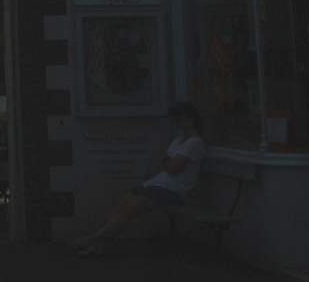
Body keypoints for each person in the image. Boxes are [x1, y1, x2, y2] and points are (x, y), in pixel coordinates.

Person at [66, 102, 206, 256]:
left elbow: (172, 167)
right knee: (121, 204)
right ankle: (99, 244)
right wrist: (169, 164)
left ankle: (90, 240)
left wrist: (169, 164)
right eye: (174, 119)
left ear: (190, 119)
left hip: (174, 189)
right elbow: (163, 163)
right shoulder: (178, 141)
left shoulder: (195, 142)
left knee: (128, 209)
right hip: (158, 183)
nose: (175, 122)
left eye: (178, 119)